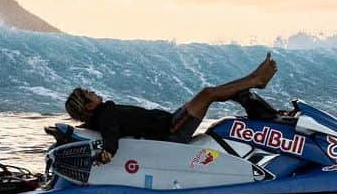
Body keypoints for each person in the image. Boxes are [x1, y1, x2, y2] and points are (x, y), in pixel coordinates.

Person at [65, 53, 279, 164]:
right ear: (89, 105)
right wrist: (108, 152)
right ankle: (256, 80)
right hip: (171, 133)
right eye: (88, 93)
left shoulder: (101, 116)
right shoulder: (105, 116)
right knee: (207, 94)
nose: (92, 91)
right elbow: (110, 137)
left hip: (171, 123)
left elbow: (104, 130)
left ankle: (252, 80)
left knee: (209, 94)